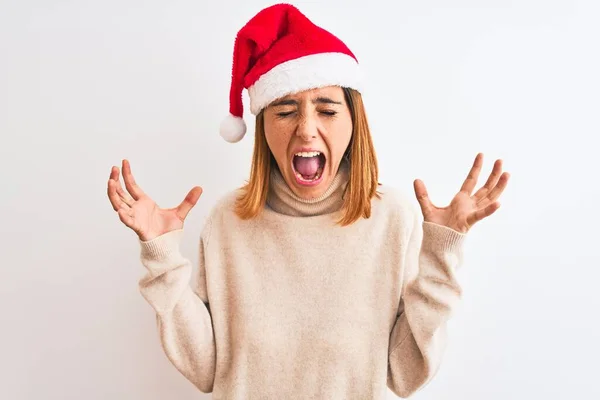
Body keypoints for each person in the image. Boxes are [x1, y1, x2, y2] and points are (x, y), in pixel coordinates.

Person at [106, 3, 509, 399]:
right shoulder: (227, 221)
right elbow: (207, 369)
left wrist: (441, 255)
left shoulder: (392, 219)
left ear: (354, 123)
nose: (307, 129)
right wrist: (161, 257)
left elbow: (404, 375)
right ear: (263, 126)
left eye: (327, 110)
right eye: (284, 110)